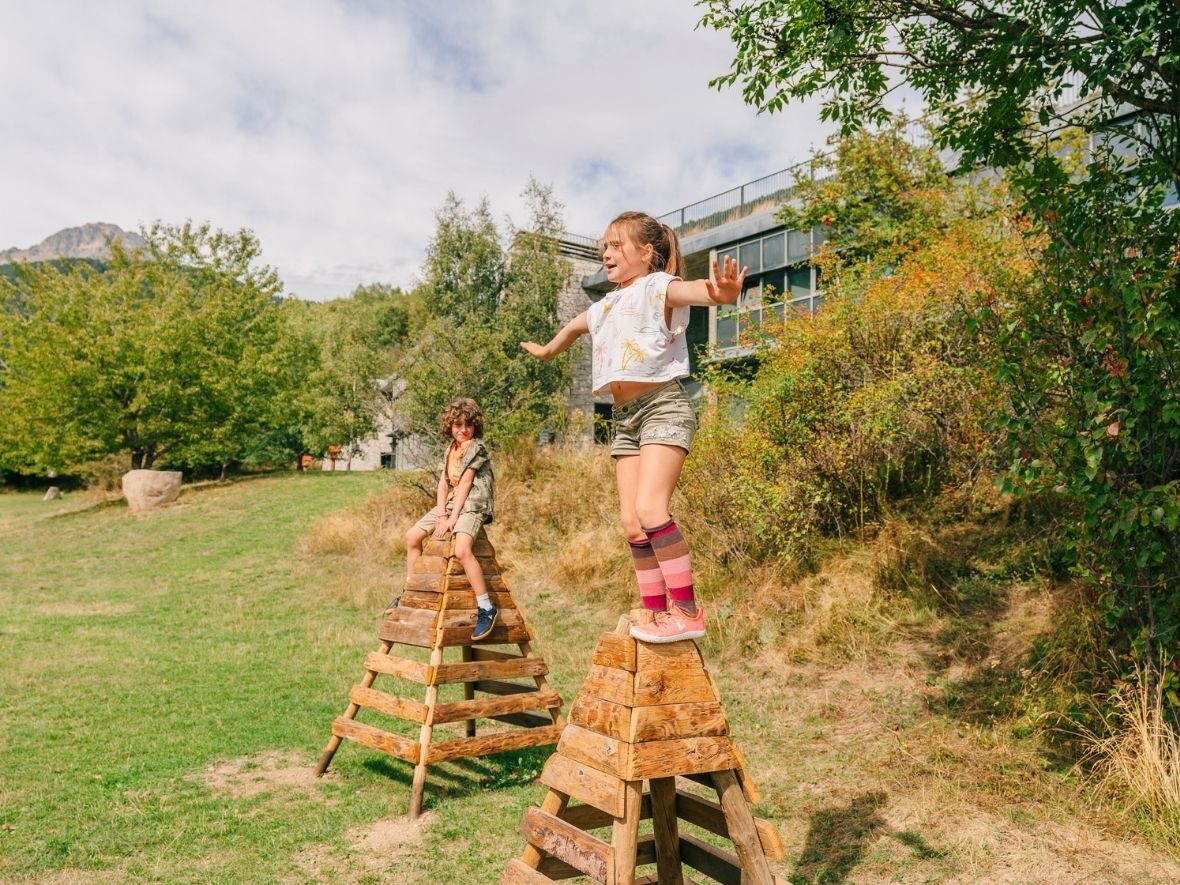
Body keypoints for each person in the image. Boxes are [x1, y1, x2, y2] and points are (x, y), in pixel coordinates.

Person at [521, 211, 746, 643]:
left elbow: (693, 290)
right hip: (625, 420)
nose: (606, 253)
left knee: (651, 510)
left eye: (616, 245)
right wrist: (548, 352)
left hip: (662, 407)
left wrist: (720, 294)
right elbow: (571, 328)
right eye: (603, 247)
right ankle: (656, 612)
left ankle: (687, 611)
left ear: (646, 253)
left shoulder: (657, 285)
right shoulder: (604, 305)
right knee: (631, 523)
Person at [390, 398, 498, 640]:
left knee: (461, 550)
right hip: (452, 501)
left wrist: (452, 519)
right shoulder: (451, 448)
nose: (463, 429)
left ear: (475, 426)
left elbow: (467, 483)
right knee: (412, 537)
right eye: (457, 425)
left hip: (472, 503)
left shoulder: (476, 448)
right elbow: (443, 483)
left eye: (468, 424)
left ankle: (487, 608)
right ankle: (411, 593)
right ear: (450, 426)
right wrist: (441, 514)